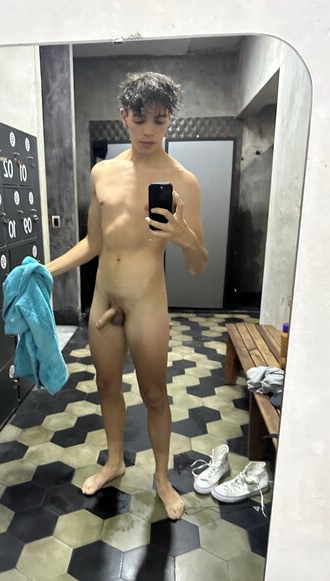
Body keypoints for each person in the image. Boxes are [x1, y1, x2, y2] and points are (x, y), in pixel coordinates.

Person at [46, 72, 208, 520]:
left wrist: (184, 236)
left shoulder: (184, 181)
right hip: (104, 298)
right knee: (106, 386)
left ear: (170, 120)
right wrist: (45, 270)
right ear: (124, 116)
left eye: (160, 120)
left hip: (147, 303)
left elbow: (198, 264)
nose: (149, 130)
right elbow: (92, 243)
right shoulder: (102, 173)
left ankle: (162, 479)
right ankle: (114, 461)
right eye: (140, 120)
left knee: (155, 395)